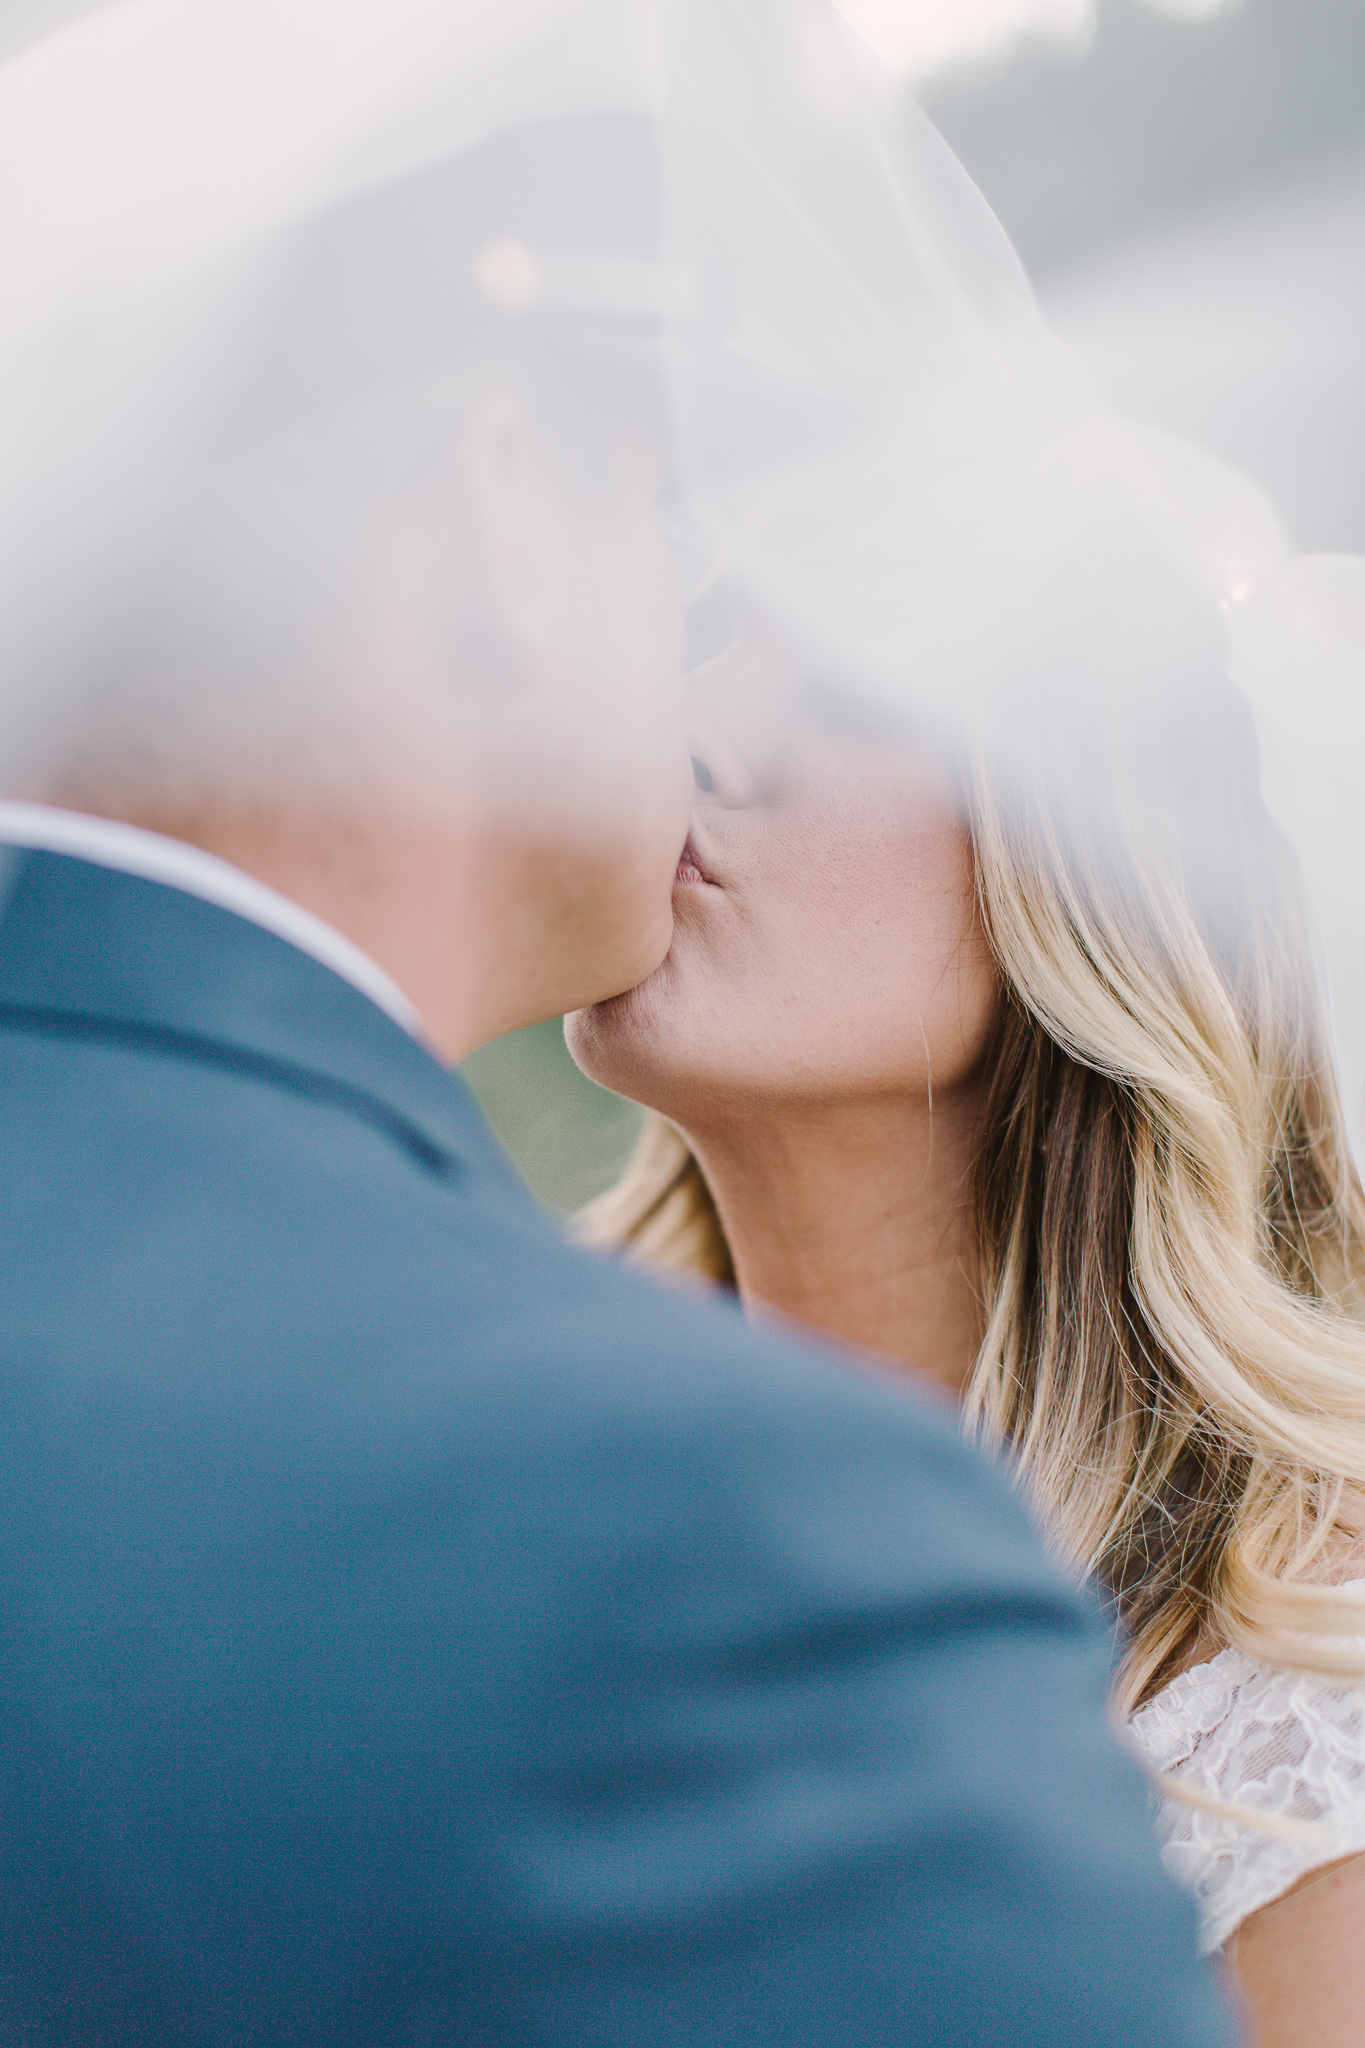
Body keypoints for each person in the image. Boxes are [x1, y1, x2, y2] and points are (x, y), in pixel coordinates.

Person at [0, 0, 1232, 2042]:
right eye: (669, 560)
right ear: (501, 506)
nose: (698, 731)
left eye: (854, 680)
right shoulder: (690, 1545)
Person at [569, 487, 1365, 2045]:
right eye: (708, 639)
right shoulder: (537, 1488)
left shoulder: (1302, 1716)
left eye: (864, 687)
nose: (698, 728)